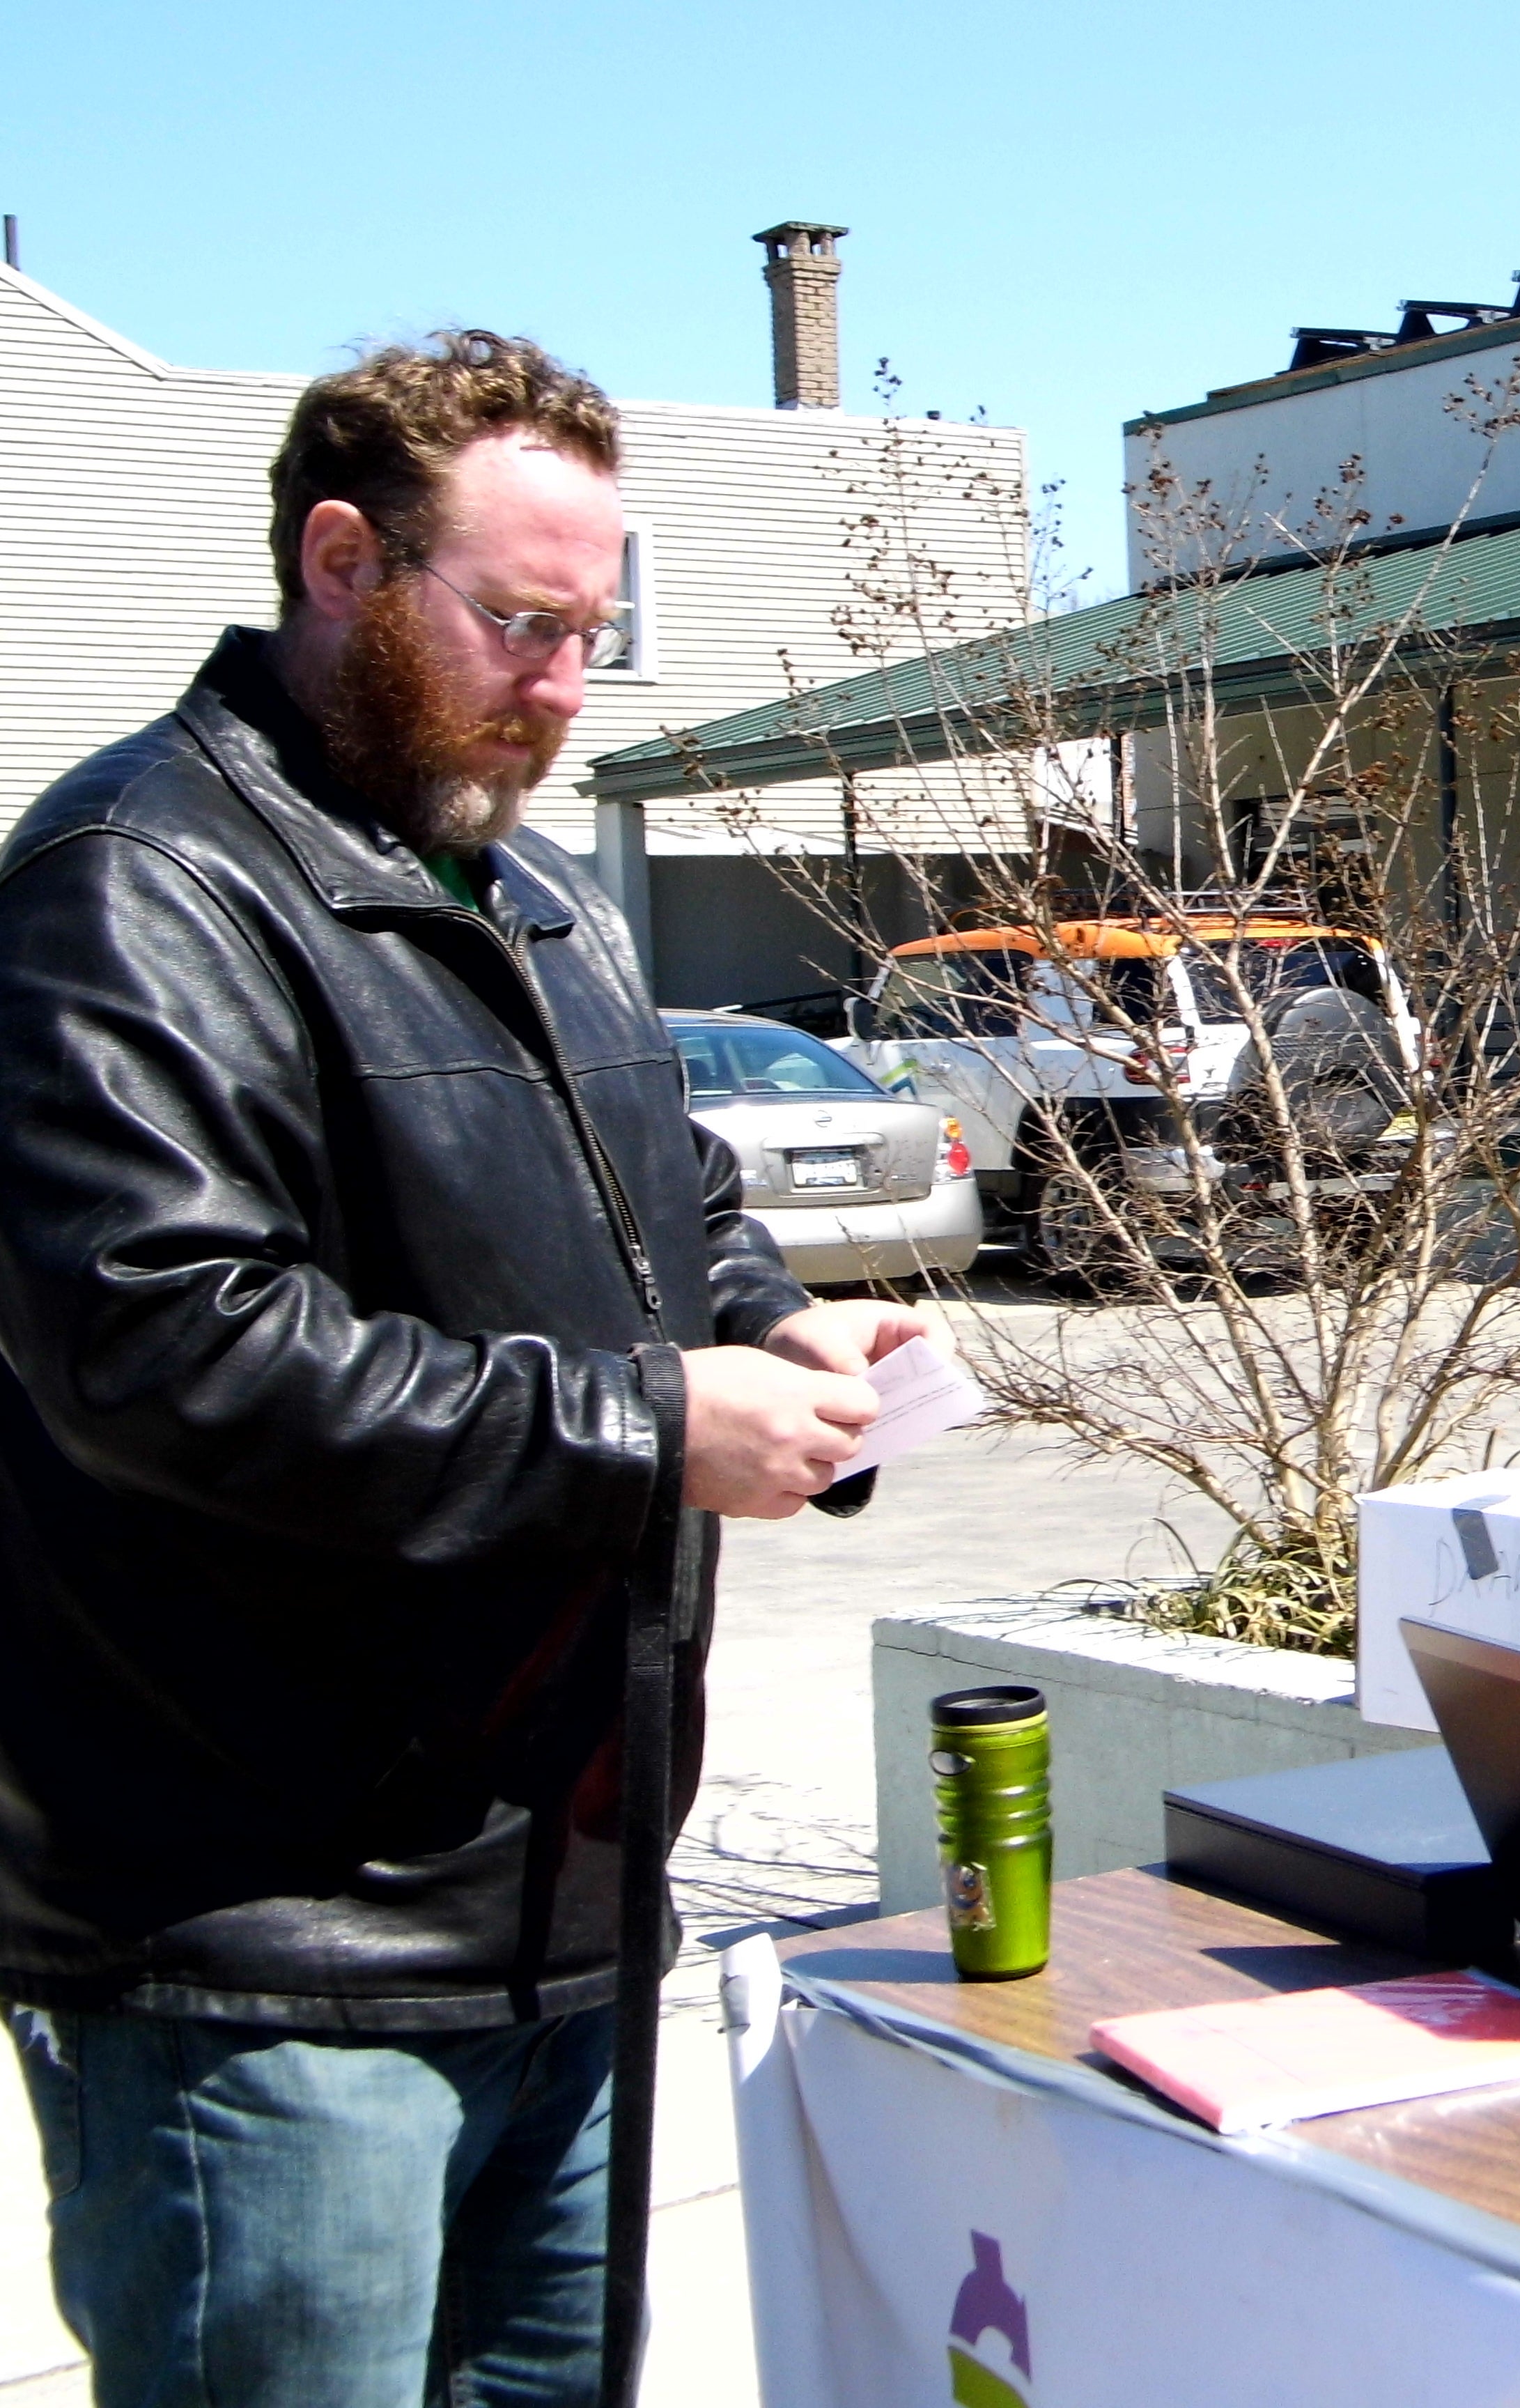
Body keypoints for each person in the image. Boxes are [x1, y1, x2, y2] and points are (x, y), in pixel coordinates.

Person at [0, 332, 938, 2407]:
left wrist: (772, 1323)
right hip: (265, 1960)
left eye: (591, 634)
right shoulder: (137, 887)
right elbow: (163, 1347)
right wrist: (654, 1425)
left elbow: (670, 1195)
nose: (565, 689)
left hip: (568, 1923)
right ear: (339, 558)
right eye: (519, 623)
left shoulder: (531, 889)